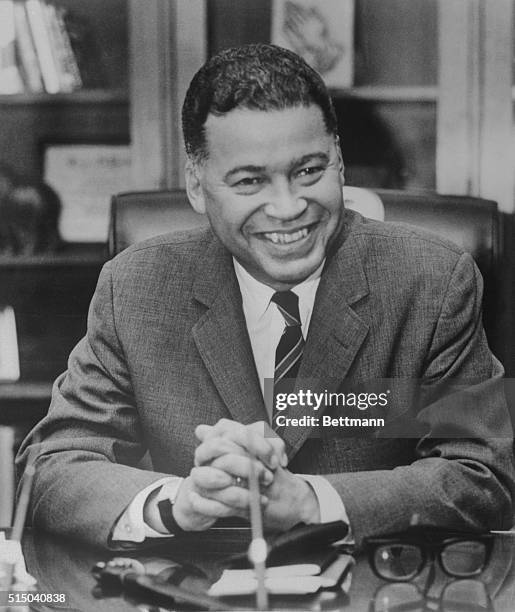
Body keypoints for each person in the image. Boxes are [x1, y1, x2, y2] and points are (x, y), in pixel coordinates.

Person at [17, 44, 514, 549]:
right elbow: (53, 467)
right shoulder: (136, 288)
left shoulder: (431, 280)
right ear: (196, 185)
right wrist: (178, 503)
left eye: (309, 171)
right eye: (251, 180)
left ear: (339, 162)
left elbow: (483, 476)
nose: (288, 207)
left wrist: (311, 501)